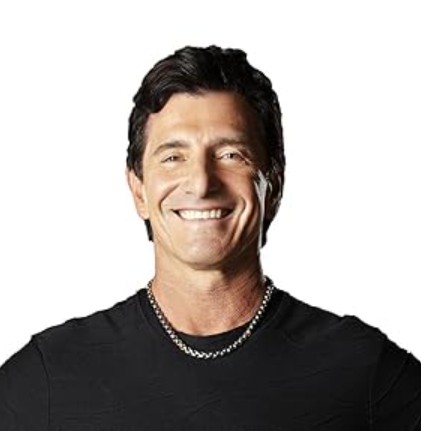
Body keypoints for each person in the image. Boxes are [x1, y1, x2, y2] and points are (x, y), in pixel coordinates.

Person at [0, 45, 420, 431]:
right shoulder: (46, 378)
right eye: (173, 157)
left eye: (230, 155)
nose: (201, 183)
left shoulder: (364, 373)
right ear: (138, 190)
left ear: (273, 185)